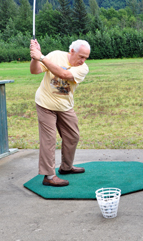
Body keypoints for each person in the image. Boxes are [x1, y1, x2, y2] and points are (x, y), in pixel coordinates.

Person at [29, 39, 90, 187]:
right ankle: (49, 176)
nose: (83, 60)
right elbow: (35, 70)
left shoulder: (83, 69)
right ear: (72, 51)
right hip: (45, 104)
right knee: (49, 140)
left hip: (65, 106)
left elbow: (64, 74)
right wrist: (34, 58)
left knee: (73, 136)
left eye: (86, 58)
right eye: (81, 56)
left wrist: (42, 57)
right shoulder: (56, 55)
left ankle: (66, 167)